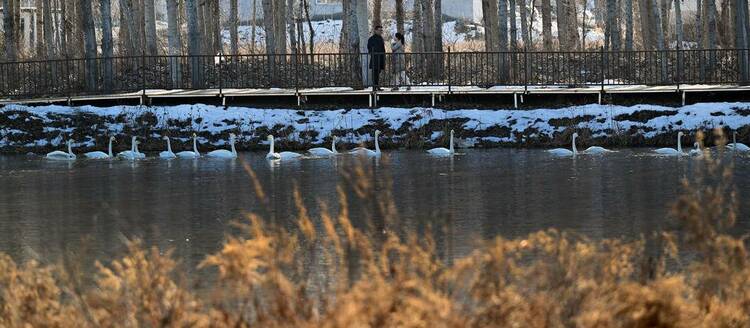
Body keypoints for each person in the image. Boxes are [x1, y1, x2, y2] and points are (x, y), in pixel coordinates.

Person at [367, 25, 386, 91]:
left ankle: (377, 86)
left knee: (378, 72)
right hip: (375, 58)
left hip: (380, 58)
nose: (380, 31)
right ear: (375, 30)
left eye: (381, 30)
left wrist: (383, 56)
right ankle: (375, 86)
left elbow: (383, 48)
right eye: (379, 30)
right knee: (375, 73)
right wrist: (373, 52)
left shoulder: (381, 38)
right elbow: (369, 48)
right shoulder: (371, 39)